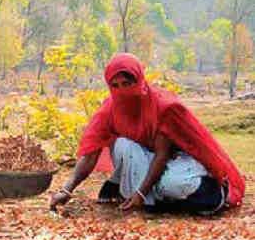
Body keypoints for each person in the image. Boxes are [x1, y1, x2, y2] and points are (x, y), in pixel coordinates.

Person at [49, 53, 245, 215]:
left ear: (139, 80)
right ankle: (155, 198)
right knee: (122, 144)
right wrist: (67, 189)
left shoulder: (162, 106)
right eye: (115, 86)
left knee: (171, 184)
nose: (122, 91)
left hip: (179, 160)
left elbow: (162, 154)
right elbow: (90, 154)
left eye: (127, 83)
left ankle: (213, 193)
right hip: (147, 158)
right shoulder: (110, 109)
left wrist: (141, 193)